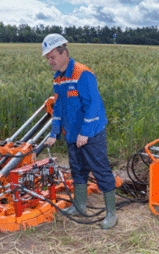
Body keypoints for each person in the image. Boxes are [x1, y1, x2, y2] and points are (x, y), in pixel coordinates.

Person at [42, 33, 117, 229]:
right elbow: (57, 108)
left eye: (52, 57)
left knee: (101, 170)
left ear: (64, 53)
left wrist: (85, 132)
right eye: (48, 58)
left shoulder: (82, 74)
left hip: (91, 133)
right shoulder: (57, 79)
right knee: (77, 171)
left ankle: (111, 214)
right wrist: (53, 133)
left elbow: (94, 105)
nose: (50, 62)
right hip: (72, 134)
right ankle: (80, 206)